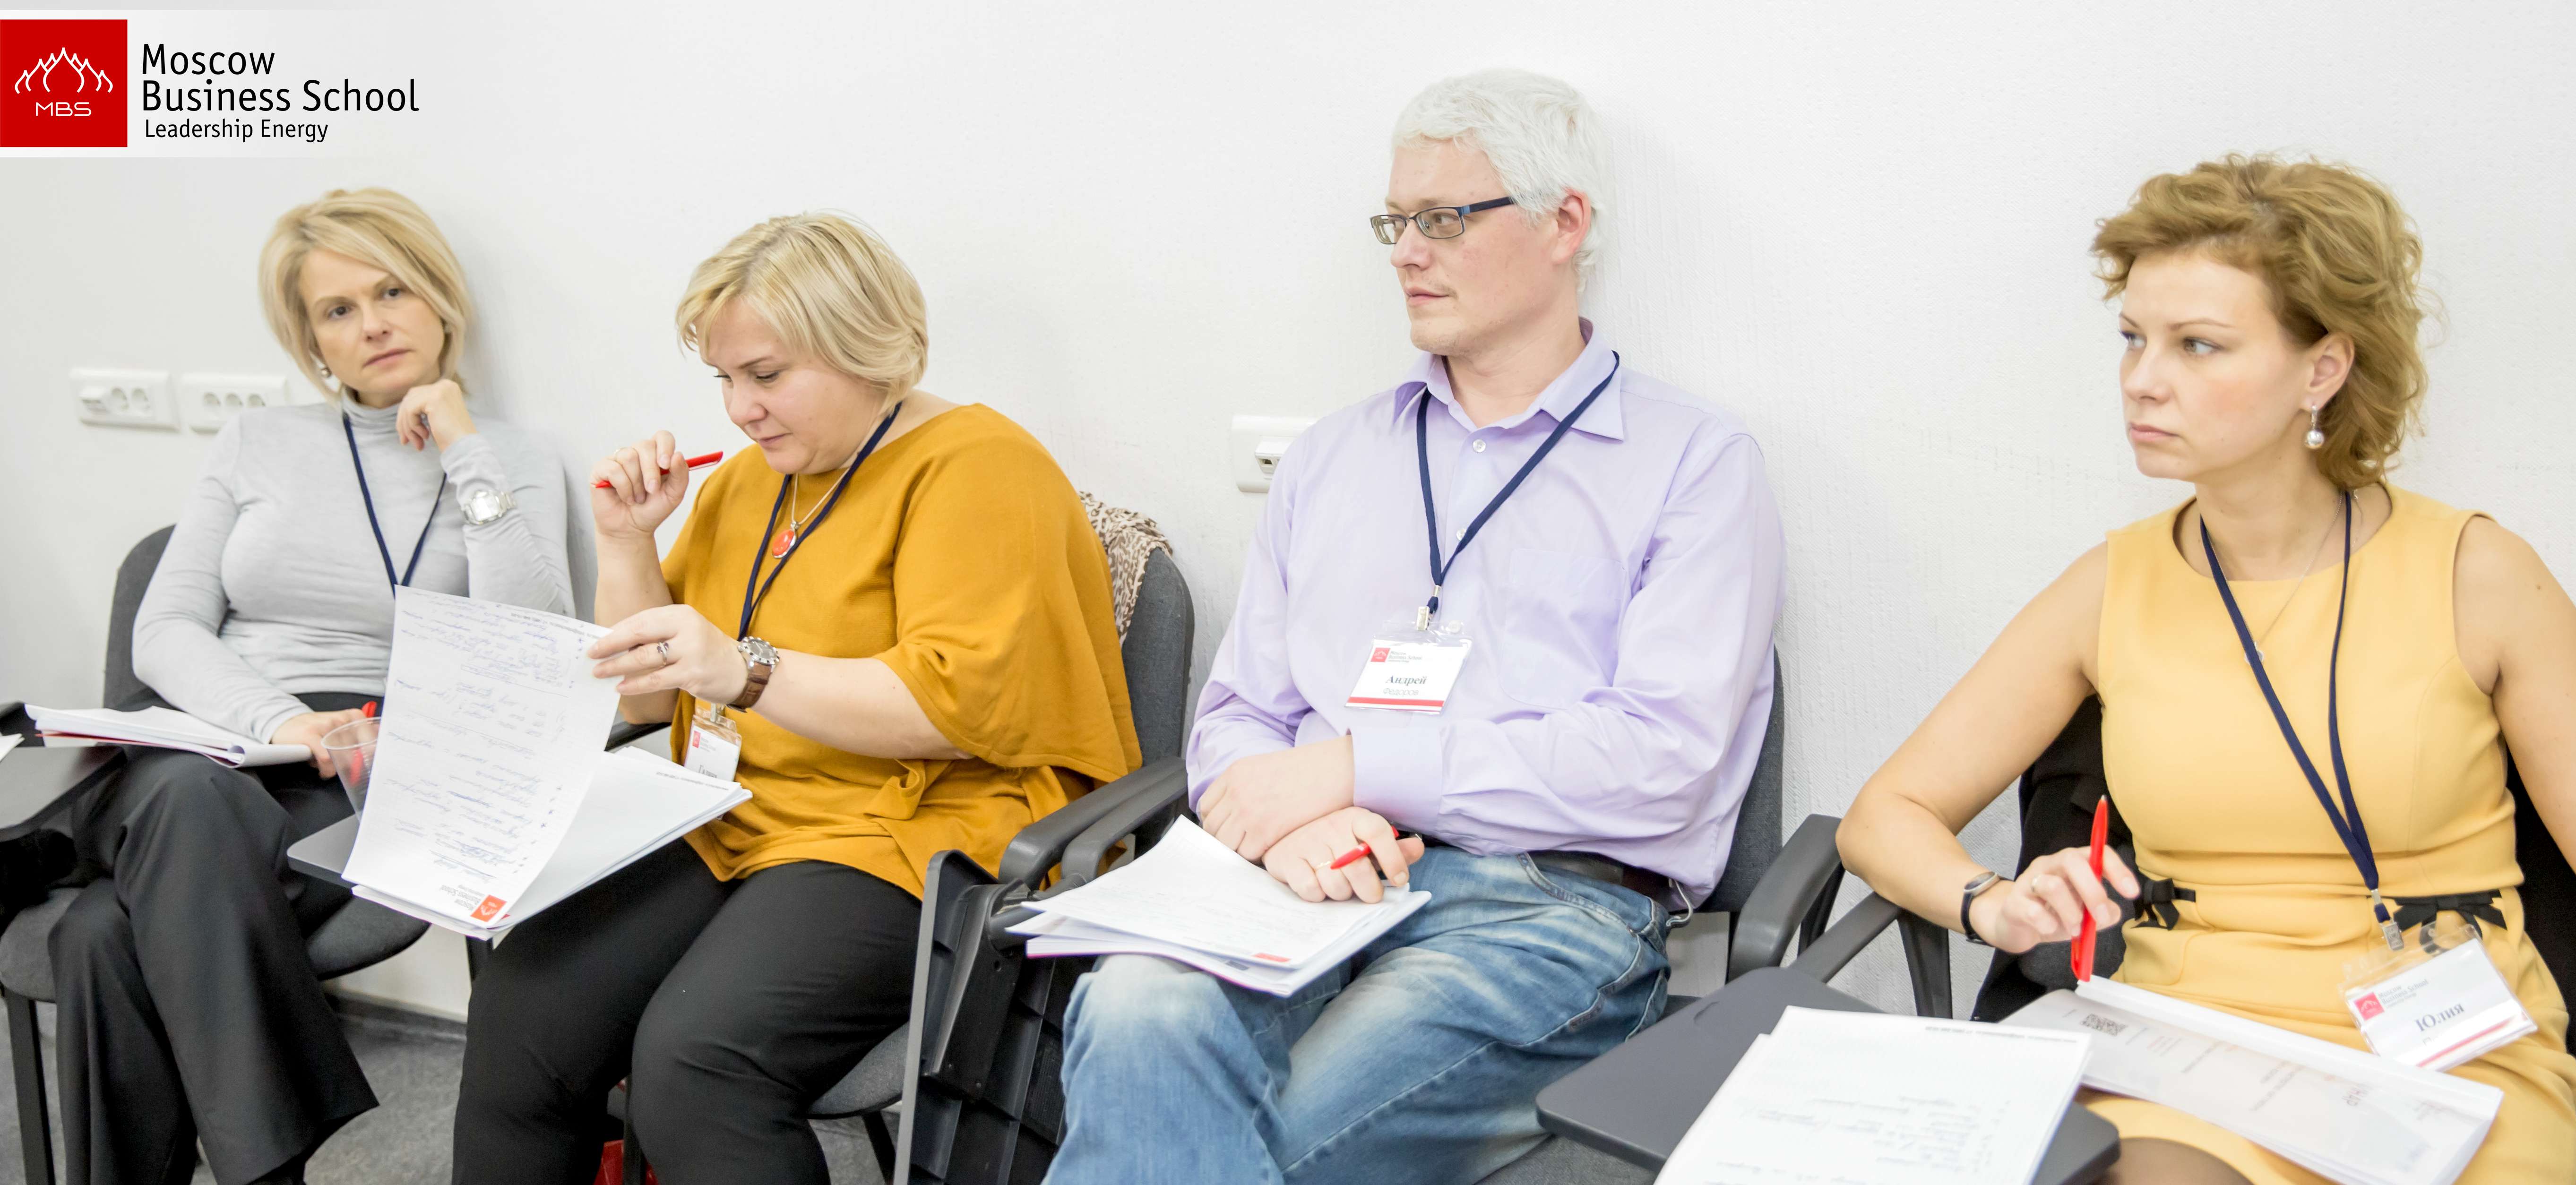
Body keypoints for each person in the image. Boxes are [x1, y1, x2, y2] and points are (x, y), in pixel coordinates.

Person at [1046, 69, 1784, 1185]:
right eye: (1394, 222)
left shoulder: (1696, 466)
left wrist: (1356, 768)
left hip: (1544, 908)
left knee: (1251, 1146)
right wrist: (1287, 825)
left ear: (1565, 224)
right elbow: (1241, 711)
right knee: (1134, 1010)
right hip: (1304, 872)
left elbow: (1660, 763)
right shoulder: (1332, 459)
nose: (1404, 253)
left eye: (1443, 219)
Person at [1836, 155, 2576, 1184]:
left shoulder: (2478, 576)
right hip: (2192, 1059)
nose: (2143, 379)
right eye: (2134, 338)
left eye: (2198, 345)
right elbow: (1884, 816)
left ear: (2322, 371)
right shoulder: (2112, 586)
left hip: (2445, 1059)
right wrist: (1994, 904)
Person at [449, 211, 1138, 1185]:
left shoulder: (981, 467)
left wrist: (747, 672)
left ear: (869, 349)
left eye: (766, 375)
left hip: (919, 830)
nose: (741, 409)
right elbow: (646, 698)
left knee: (698, 1063)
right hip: (742, 814)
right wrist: (626, 541)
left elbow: (954, 710)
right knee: (524, 1011)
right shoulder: (749, 483)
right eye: (724, 379)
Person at [23, 188, 574, 1185]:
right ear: (312, 340)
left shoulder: (514, 458)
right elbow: (164, 629)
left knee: (103, 936)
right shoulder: (257, 443)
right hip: (209, 742)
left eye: (393, 291)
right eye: (338, 310)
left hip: (364, 769)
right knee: (190, 800)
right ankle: (267, 1171)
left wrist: (464, 449)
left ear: (440, 297)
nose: (373, 325)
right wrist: (279, 719)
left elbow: (525, 641)